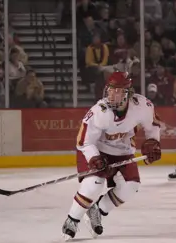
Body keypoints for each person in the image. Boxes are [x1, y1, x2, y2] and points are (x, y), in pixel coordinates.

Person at [62, 71, 161, 239]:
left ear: (128, 94)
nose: (112, 95)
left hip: (123, 151)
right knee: (95, 183)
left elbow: (153, 126)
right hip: (95, 150)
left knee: (131, 186)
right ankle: (72, 219)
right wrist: (95, 158)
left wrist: (153, 142)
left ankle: (98, 210)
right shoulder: (99, 112)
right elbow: (84, 142)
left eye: (118, 91)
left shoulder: (142, 106)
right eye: (110, 90)